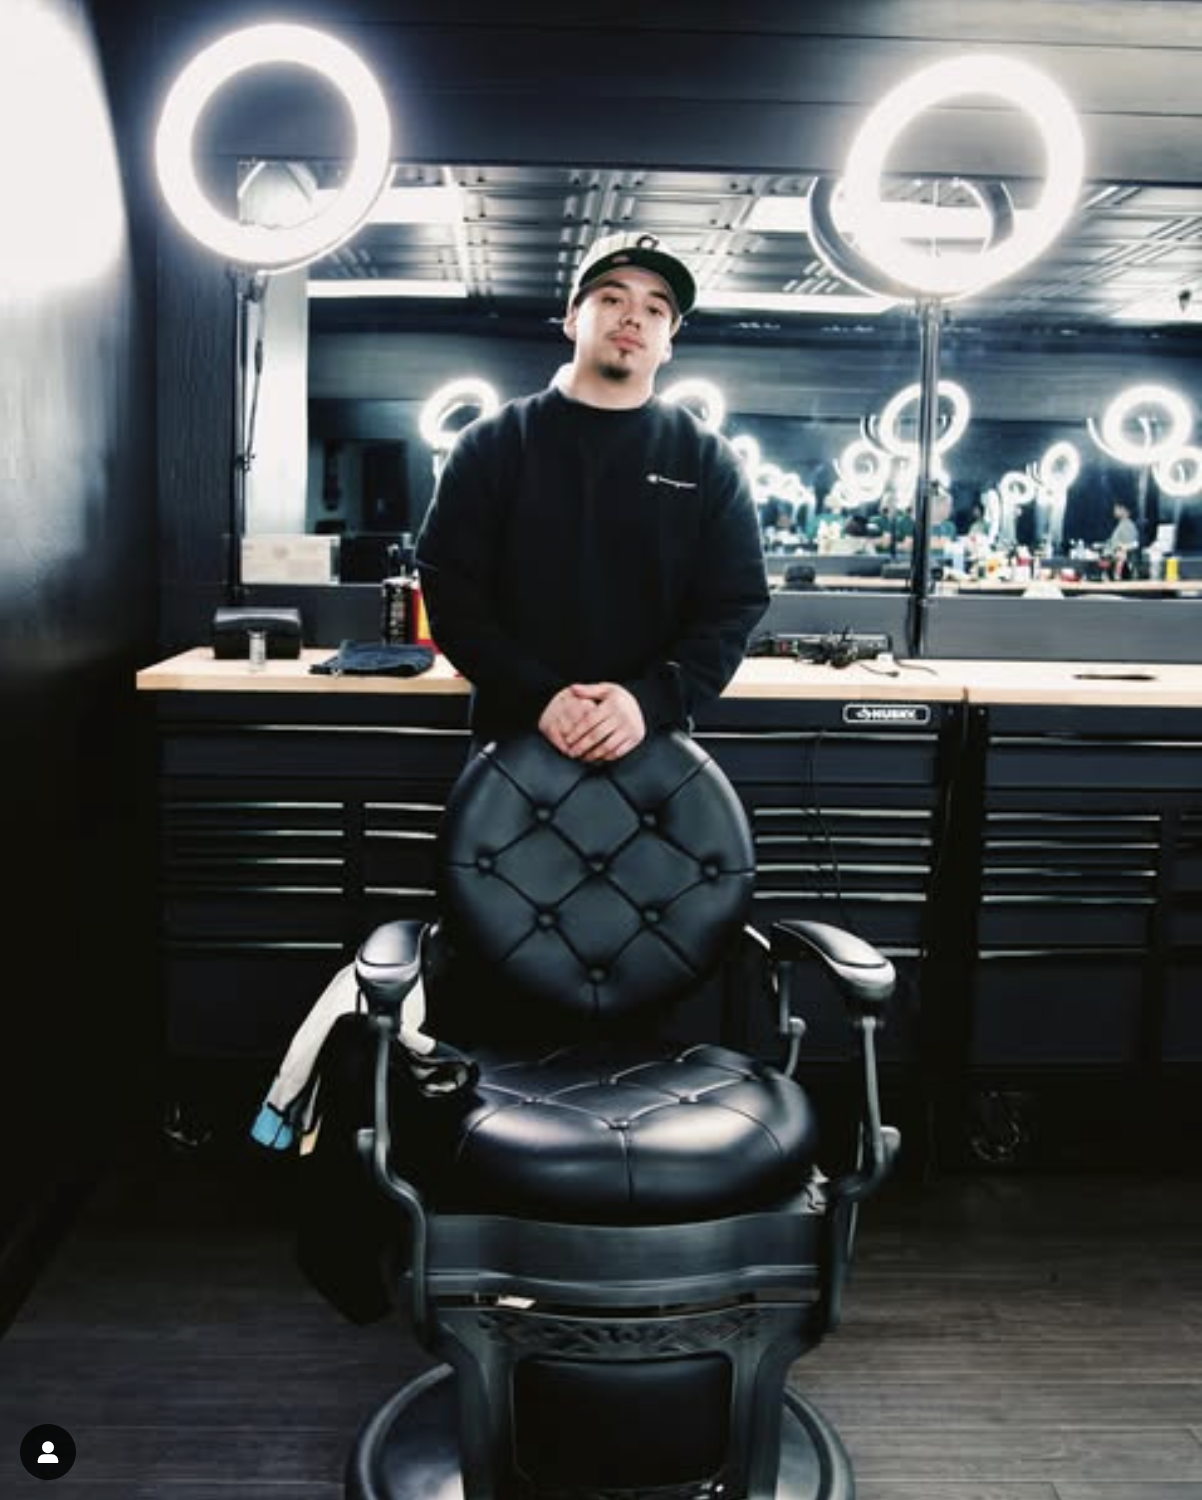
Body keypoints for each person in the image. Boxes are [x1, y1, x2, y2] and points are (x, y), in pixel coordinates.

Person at [415, 231, 770, 763]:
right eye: (611, 298)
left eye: (655, 310)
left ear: (669, 340)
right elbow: (451, 593)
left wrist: (645, 702)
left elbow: (733, 605)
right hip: (512, 740)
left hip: (652, 745)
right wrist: (540, 697)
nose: (632, 318)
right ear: (571, 318)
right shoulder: (492, 444)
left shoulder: (707, 460)